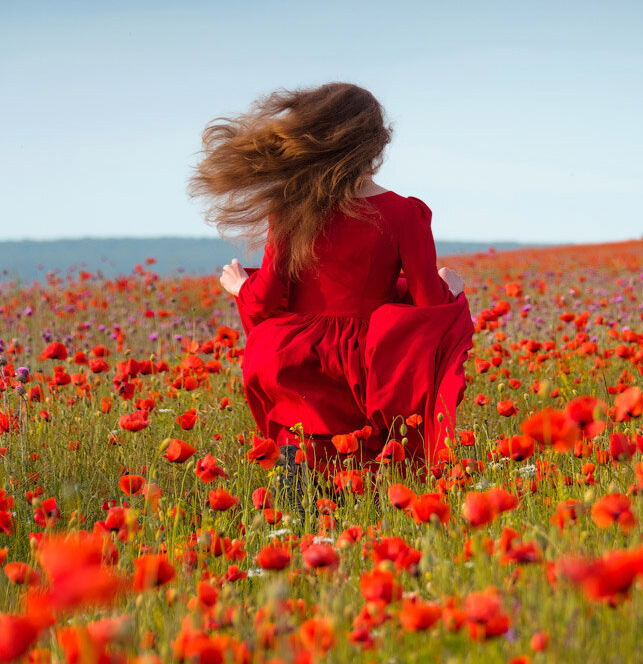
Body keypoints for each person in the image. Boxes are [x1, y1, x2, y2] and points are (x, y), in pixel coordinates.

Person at [188, 82, 474, 493]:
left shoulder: (290, 208)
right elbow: (429, 304)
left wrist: (239, 287)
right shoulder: (403, 213)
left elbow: (267, 296)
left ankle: (293, 537)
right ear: (375, 143)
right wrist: (451, 287)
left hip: (295, 356)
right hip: (365, 364)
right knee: (368, 479)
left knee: (297, 468)